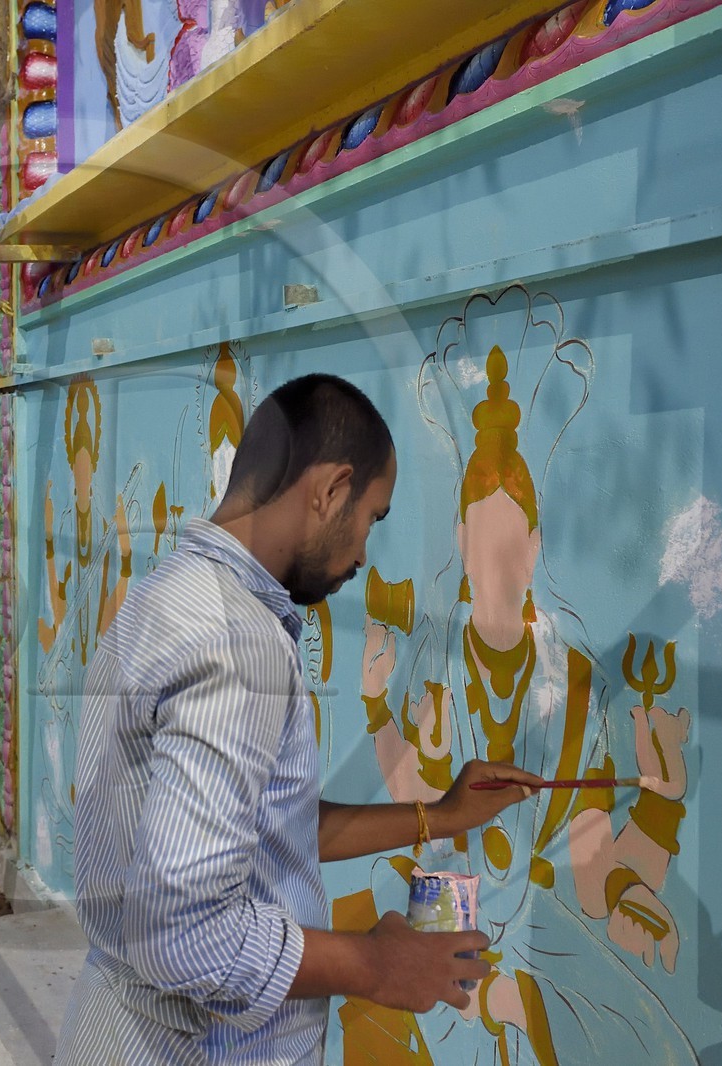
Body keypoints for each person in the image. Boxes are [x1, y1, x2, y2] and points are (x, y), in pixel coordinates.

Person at [55, 373, 544, 1065]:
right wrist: (374, 965)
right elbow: (184, 930)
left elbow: (268, 829)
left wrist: (441, 814)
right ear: (331, 489)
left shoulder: (171, 591)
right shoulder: (235, 640)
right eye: (373, 518)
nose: (365, 554)